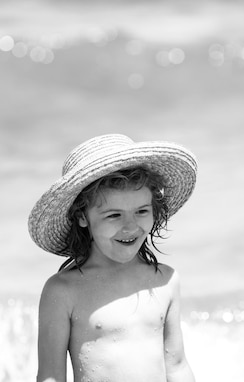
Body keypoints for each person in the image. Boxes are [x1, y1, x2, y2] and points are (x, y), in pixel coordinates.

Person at [28, 134, 197, 382]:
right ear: (82, 217)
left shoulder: (165, 281)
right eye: (114, 215)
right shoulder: (63, 291)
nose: (130, 226)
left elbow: (177, 365)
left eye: (141, 211)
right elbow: (51, 376)